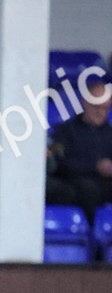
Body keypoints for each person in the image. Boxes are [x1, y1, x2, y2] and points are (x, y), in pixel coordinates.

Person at [46, 74, 112, 226]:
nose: (101, 112)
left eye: (105, 108)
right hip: (78, 183)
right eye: (97, 107)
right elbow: (62, 165)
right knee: (87, 189)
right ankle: (93, 240)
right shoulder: (65, 131)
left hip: (106, 184)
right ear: (85, 103)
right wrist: (96, 167)